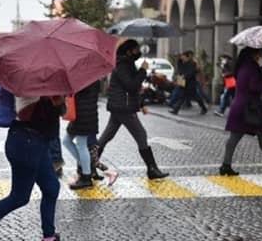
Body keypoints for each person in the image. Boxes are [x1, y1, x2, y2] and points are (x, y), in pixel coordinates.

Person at [0, 96, 75, 241]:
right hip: (26, 143)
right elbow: (29, 115)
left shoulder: (48, 87)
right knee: (19, 197)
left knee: (51, 187)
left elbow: (59, 115)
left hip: (37, 143)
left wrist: (59, 100)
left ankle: (49, 239)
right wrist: (52, 100)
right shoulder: (29, 89)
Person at [96, 39, 168, 180]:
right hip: (124, 107)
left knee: (106, 136)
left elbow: (132, 89)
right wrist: (143, 70)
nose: (138, 52)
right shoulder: (122, 65)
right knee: (141, 134)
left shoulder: (127, 63)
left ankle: (88, 166)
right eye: (136, 49)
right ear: (129, 51)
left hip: (122, 105)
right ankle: (152, 169)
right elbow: (130, 85)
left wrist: (140, 104)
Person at [219, 47, 262, 176]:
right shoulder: (251, 68)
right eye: (259, 53)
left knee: (253, 136)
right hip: (250, 108)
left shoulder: (243, 66)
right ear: (254, 54)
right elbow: (253, 86)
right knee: (255, 136)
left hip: (243, 106)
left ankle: (226, 165)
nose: (261, 56)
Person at [63, 81, 99, 190]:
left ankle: (86, 177)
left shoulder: (84, 80)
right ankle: (86, 168)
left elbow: (78, 93)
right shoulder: (91, 77)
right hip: (82, 114)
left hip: (83, 115)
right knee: (66, 141)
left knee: (81, 145)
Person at [169, 50, 207, 115]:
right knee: (182, 96)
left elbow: (192, 73)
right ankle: (175, 110)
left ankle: (204, 108)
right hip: (183, 82)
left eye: (183, 56)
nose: (182, 57)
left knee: (195, 96)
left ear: (187, 57)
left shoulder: (192, 63)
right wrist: (179, 78)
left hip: (190, 83)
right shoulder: (181, 62)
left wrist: (185, 76)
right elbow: (179, 70)